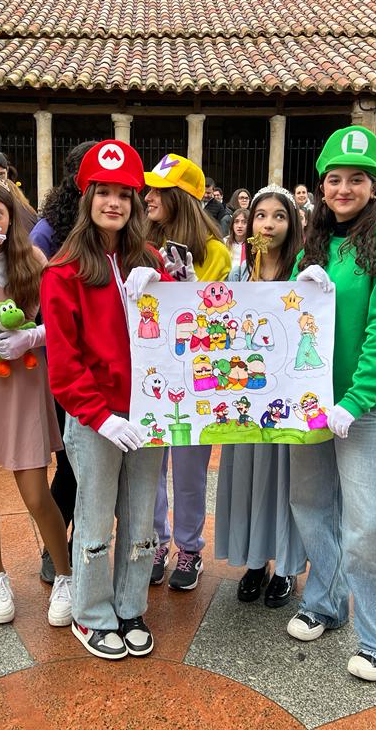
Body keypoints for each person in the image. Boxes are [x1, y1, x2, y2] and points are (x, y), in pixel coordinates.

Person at [288, 125, 376, 683]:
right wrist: (300, 282)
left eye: (356, 179)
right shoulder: (315, 244)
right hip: (312, 404)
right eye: (335, 179)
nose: (344, 189)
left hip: (364, 409)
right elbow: (288, 316)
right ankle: (326, 601)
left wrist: (356, 400)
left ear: (374, 186)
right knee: (312, 506)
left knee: (369, 524)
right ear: (322, 185)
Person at [41, 139, 171, 660]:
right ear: (87, 197)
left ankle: (130, 604)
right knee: (94, 518)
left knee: (140, 517)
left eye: (123, 193)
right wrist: (98, 416)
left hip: (149, 412)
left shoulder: (152, 259)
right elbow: (65, 362)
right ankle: (91, 614)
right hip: (97, 418)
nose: (113, 203)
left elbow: (180, 329)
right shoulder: (64, 270)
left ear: (136, 202)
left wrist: (162, 282)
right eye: (103, 192)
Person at [0, 174, 72, 627]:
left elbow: (59, 322)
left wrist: (30, 338)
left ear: (11, 215)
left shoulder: (34, 257)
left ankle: (64, 574)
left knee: (35, 490)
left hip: (22, 376)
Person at [215, 184, 307, 608]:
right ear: (249, 223)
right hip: (245, 400)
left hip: (287, 401)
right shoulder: (238, 274)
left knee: (286, 482)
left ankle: (287, 566)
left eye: (279, 216)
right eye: (261, 215)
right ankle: (255, 561)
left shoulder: (304, 272)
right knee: (250, 480)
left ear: (292, 223)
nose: (268, 223)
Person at [143, 153, 231, 591]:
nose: (148, 197)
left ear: (182, 197)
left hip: (198, 378)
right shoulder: (137, 242)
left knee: (191, 470)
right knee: (150, 466)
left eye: (158, 190)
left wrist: (190, 286)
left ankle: (190, 548)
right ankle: (157, 541)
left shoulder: (214, 252)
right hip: (150, 377)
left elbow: (216, 312)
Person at [29, 139, 96, 583]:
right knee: (71, 462)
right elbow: (33, 299)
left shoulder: (117, 228)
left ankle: (81, 546)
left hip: (111, 368)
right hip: (63, 363)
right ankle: (59, 546)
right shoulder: (48, 233)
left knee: (91, 465)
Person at [224, 208, 249, 279]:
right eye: (236, 222)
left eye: (244, 222)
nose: (239, 226)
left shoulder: (254, 244)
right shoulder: (224, 242)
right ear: (232, 224)